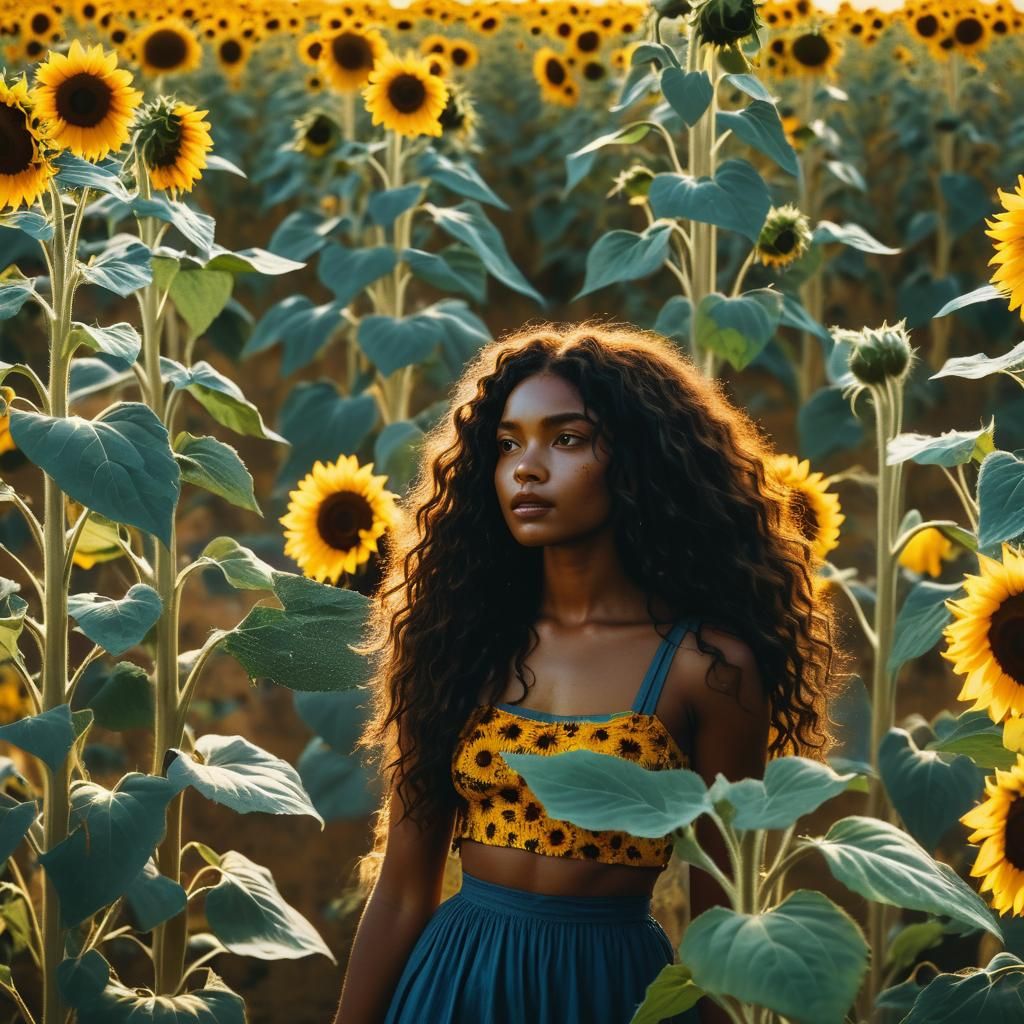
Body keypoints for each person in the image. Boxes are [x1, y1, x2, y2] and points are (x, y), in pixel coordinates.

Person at [332, 322, 845, 1024]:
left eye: (566, 439)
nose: (526, 468)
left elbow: (719, 920)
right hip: (455, 986)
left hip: (611, 992)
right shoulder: (458, 644)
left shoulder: (709, 669)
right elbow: (401, 890)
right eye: (509, 443)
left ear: (638, 460)